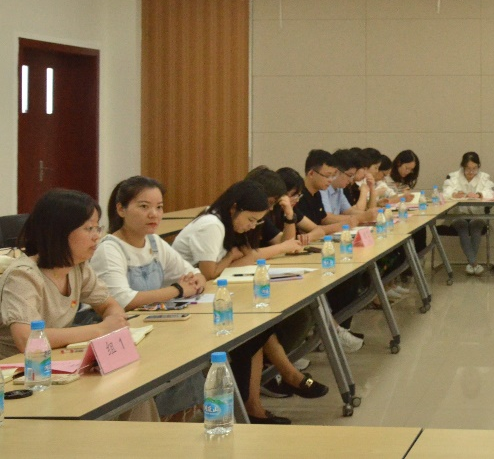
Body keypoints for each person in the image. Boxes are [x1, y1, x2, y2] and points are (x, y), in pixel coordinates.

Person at [172, 181, 329, 423]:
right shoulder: (212, 224)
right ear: (234, 208)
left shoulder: (227, 222)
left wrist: (233, 257)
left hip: (206, 295)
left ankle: (262, 397)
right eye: (251, 220)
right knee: (255, 330)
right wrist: (231, 256)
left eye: (257, 221)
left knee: (260, 327)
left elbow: (247, 257)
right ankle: (269, 391)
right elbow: (210, 272)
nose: (252, 226)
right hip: (187, 303)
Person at [90, 176, 207, 419]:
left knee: (189, 360)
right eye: (144, 206)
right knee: (175, 365)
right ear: (121, 209)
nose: (154, 214)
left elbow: (193, 273)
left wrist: (196, 280)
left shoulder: (153, 242)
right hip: (119, 333)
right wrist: (178, 290)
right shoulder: (110, 248)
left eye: (159, 207)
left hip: (149, 328)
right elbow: (124, 300)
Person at [0, 189, 128, 361]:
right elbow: (27, 339)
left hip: (54, 360)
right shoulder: (23, 275)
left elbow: (109, 305)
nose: (97, 236)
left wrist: (115, 319)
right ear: (59, 232)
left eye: (98, 228)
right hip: (18, 368)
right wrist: (101, 329)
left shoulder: (78, 267)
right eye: (89, 228)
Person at [442, 152, 494, 275]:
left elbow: (490, 193)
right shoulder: (453, 177)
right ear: (463, 167)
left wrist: (479, 195)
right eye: (468, 169)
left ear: (478, 167)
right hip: (458, 215)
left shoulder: (484, 177)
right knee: (462, 226)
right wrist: (454, 194)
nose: (471, 172)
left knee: (476, 226)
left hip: (477, 215)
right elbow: (445, 193)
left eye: (474, 169)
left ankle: (471, 263)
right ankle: (474, 263)